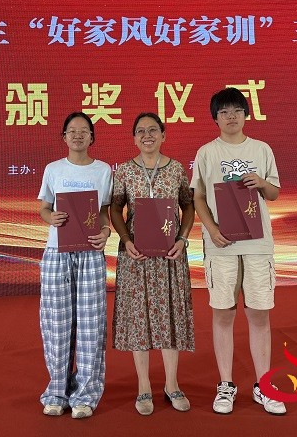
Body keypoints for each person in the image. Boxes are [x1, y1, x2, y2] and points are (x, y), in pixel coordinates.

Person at [190, 87, 287, 416]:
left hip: (258, 245)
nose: (230, 117)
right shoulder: (206, 153)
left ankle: (264, 385)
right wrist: (212, 230)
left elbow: (273, 193)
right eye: (223, 112)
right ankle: (226, 385)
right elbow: (198, 197)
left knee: (259, 314)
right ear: (215, 118)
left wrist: (261, 182)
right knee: (223, 313)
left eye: (236, 111)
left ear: (246, 114)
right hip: (222, 246)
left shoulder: (261, 149)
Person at [111, 112, 195, 416]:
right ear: (134, 138)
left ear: (163, 135)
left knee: (169, 315)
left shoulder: (176, 169)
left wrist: (182, 239)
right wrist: (126, 240)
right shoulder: (124, 171)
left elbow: (188, 205)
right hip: (137, 256)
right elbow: (115, 209)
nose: (147, 135)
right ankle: (144, 387)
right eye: (140, 131)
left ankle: (172, 384)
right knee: (139, 319)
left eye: (153, 130)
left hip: (170, 256)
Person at [38, 111, 112, 419]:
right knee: (57, 324)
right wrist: (50, 217)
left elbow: (105, 213)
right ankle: (57, 391)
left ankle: (86, 394)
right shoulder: (53, 169)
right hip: (57, 251)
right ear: (64, 137)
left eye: (84, 130)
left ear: (92, 137)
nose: (78, 135)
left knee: (91, 325)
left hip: (90, 254)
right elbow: (44, 207)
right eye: (72, 130)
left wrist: (106, 232)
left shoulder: (103, 170)